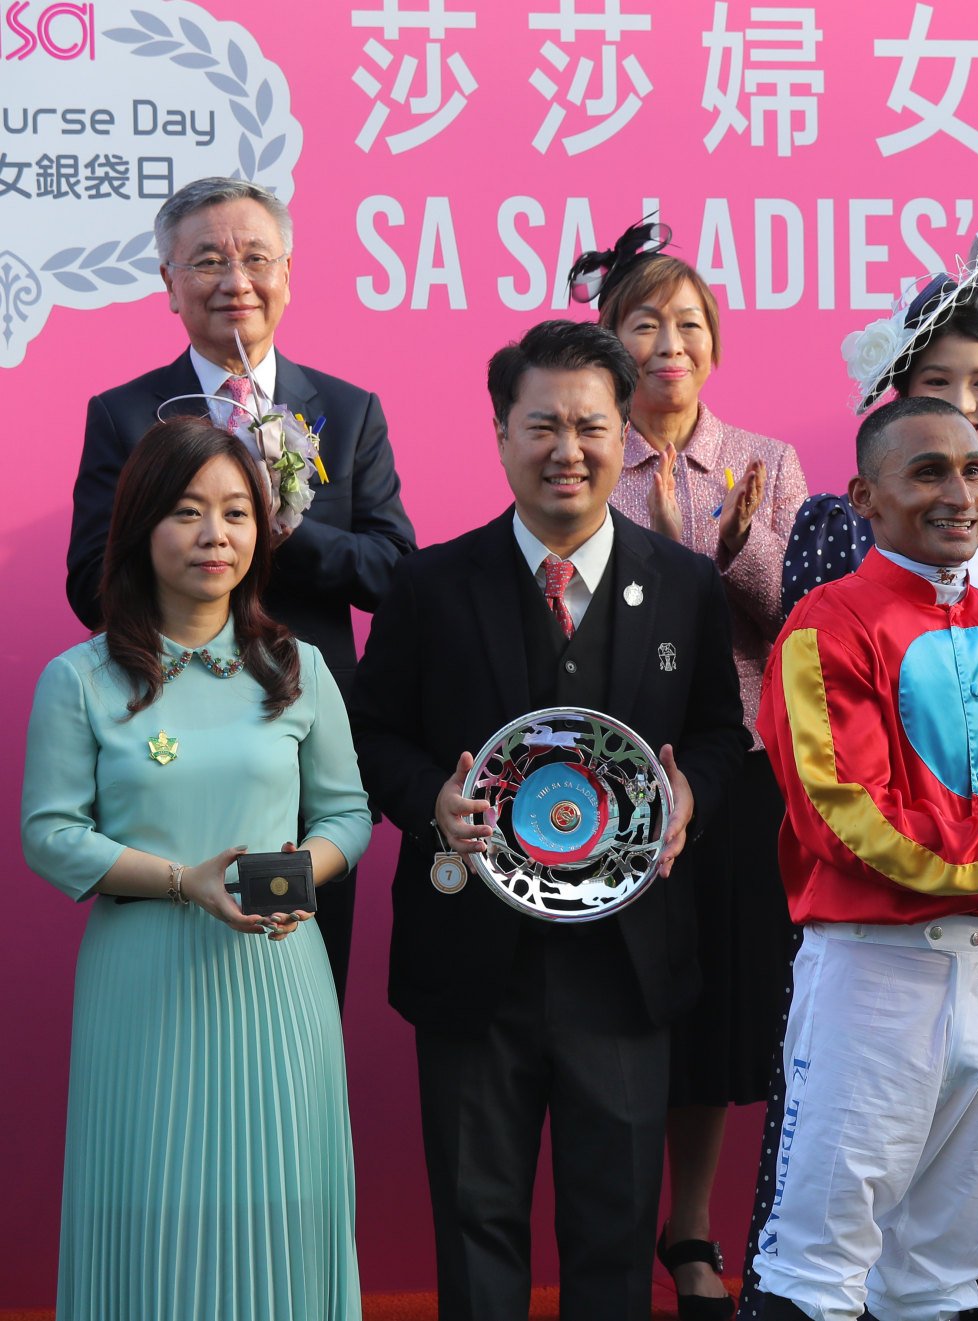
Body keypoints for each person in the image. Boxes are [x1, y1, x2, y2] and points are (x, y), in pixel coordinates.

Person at [348, 319, 749, 1321]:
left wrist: (691, 794)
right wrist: (428, 803)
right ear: (499, 433)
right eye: (543, 426)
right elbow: (372, 733)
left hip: (625, 963)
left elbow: (714, 733)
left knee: (613, 1224)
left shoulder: (687, 585)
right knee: (477, 1218)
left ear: (625, 436)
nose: (568, 449)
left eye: (591, 426)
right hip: (472, 961)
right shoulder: (431, 583)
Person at [746, 270, 978, 1319]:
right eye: (925, 473)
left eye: (971, 470)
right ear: (864, 497)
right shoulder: (827, 624)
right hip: (872, 976)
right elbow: (849, 825)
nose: (957, 493)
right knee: (817, 1267)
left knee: (941, 1274)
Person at [24, 416, 375, 1320]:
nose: (215, 534)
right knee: (149, 1213)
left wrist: (305, 864)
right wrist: (185, 882)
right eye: (186, 511)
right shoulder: (81, 678)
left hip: (278, 980)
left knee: (283, 1219)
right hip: (141, 988)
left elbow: (347, 813)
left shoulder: (296, 667)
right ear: (140, 525)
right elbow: (52, 834)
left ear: (261, 531)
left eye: (235, 512)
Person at [65, 176, 417, 1005]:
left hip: (298, 744)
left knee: (296, 975)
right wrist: (198, 539)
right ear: (169, 284)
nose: (236, 280)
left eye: (256, 258)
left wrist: (284, 530)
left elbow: (395, 573)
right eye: (209, 261)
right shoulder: (124, 416)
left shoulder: (345, 409)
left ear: (288, 274)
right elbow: (90, 583)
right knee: (176, 962)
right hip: (165, 744)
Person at [571, 220, 808, 1319]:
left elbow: (794, 618)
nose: (670, 342)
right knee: (622, 998)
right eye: (645, 323)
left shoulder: (763, 463)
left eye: (690, 324)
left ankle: (694, 1228)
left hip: (734, 769)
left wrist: (719, 551)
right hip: (601, 777)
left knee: (717, 1004)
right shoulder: (581, 452)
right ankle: (615, 1223)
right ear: (610, 341)